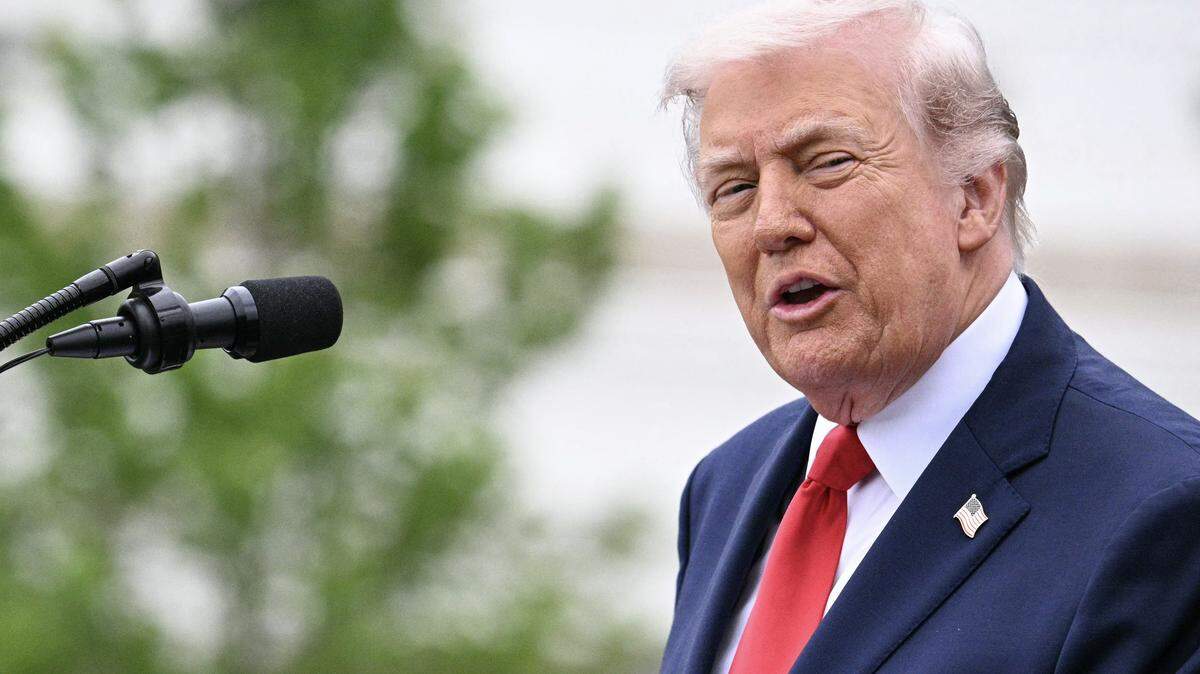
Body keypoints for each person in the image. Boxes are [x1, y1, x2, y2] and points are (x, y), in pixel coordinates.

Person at [656, 1, 1200, 672]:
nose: (772, 224)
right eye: (733, 188)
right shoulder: (726, 486)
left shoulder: (1163, 508)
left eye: (825, 163)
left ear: (974, 195)